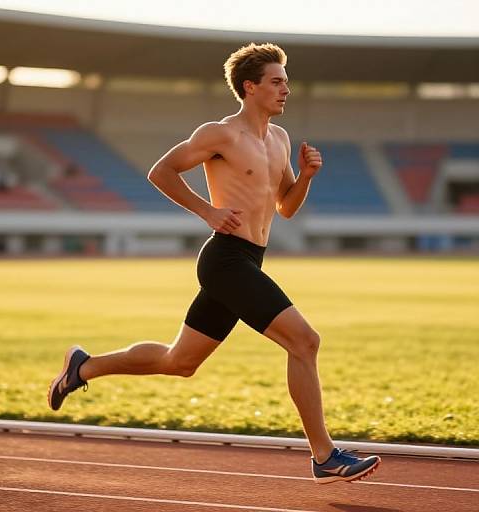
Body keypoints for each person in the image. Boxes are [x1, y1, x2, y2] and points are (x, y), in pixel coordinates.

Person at [48, 42, 380, 484]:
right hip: (224, 260)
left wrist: (304, 178)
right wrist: (208, 211)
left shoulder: (279, 139)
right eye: (277, 81)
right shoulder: (219, 134)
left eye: (286, 81)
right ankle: (324, 456)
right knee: (304, 341)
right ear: (250, 87)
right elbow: (161, 171)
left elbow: (285, 207)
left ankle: (83, 367)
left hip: (250, 260)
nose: (286, 89)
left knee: (179, 361)